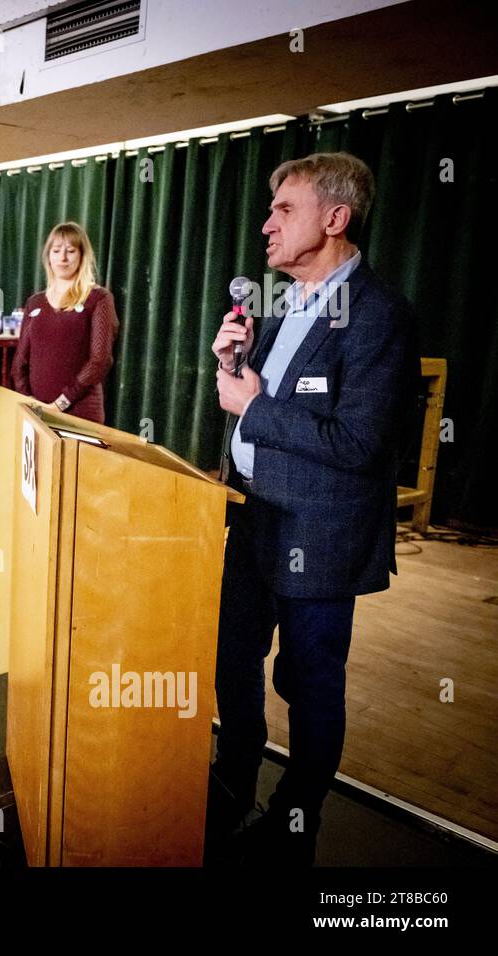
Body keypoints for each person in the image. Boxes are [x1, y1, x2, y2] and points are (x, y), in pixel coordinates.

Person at [209, 151, 418, 865]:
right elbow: (256, 406)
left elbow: (358, 443)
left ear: (335, 218)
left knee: (308, 685)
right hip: (253, 517)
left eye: (284, 210)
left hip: (320, 536)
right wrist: (233, 368)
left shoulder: (380, 315)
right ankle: (230, 782)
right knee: (232, 664)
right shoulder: (282, 305)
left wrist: (254, 405)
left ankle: (296, 819)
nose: (266, 225)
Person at [12, 221, 118, 424]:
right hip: (37, 413)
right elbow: (20, 362)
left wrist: (61, 403)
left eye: (70, 251)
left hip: (80, 414)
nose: (62, 257)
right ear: (48, 257)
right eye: (56, 250)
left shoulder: (99, 298)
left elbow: (100, 360)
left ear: (81, 256)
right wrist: (29, 400)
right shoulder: (34, 302)